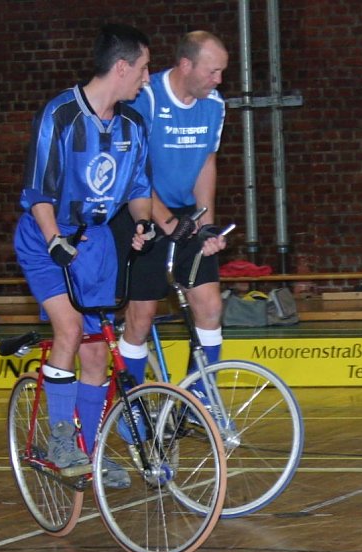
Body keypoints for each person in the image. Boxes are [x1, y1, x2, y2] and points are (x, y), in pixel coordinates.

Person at [13, 23, 155, 488]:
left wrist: (142, 222)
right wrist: (55, 240)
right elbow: (38, 192)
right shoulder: (59, 116)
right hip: (47, 239)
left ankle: (88, 453)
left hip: (97, 248)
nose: (147, 78)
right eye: (143, 68)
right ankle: (58, 439)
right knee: (70, 329)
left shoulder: (134, 124)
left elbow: (137, 189)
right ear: (121, 67)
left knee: (96, 358)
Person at [111, 31, 229, 405]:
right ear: (185, 65)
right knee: (141, 315)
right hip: (140, 209)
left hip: (183, 212)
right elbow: (134, 169)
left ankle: (199, 398)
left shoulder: (215, 106)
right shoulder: (146, 98)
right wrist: (163, 221)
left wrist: (204, 222)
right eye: (213, 72)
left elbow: (207, 164)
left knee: (210, 305)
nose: (218, 80)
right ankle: (132, 404)